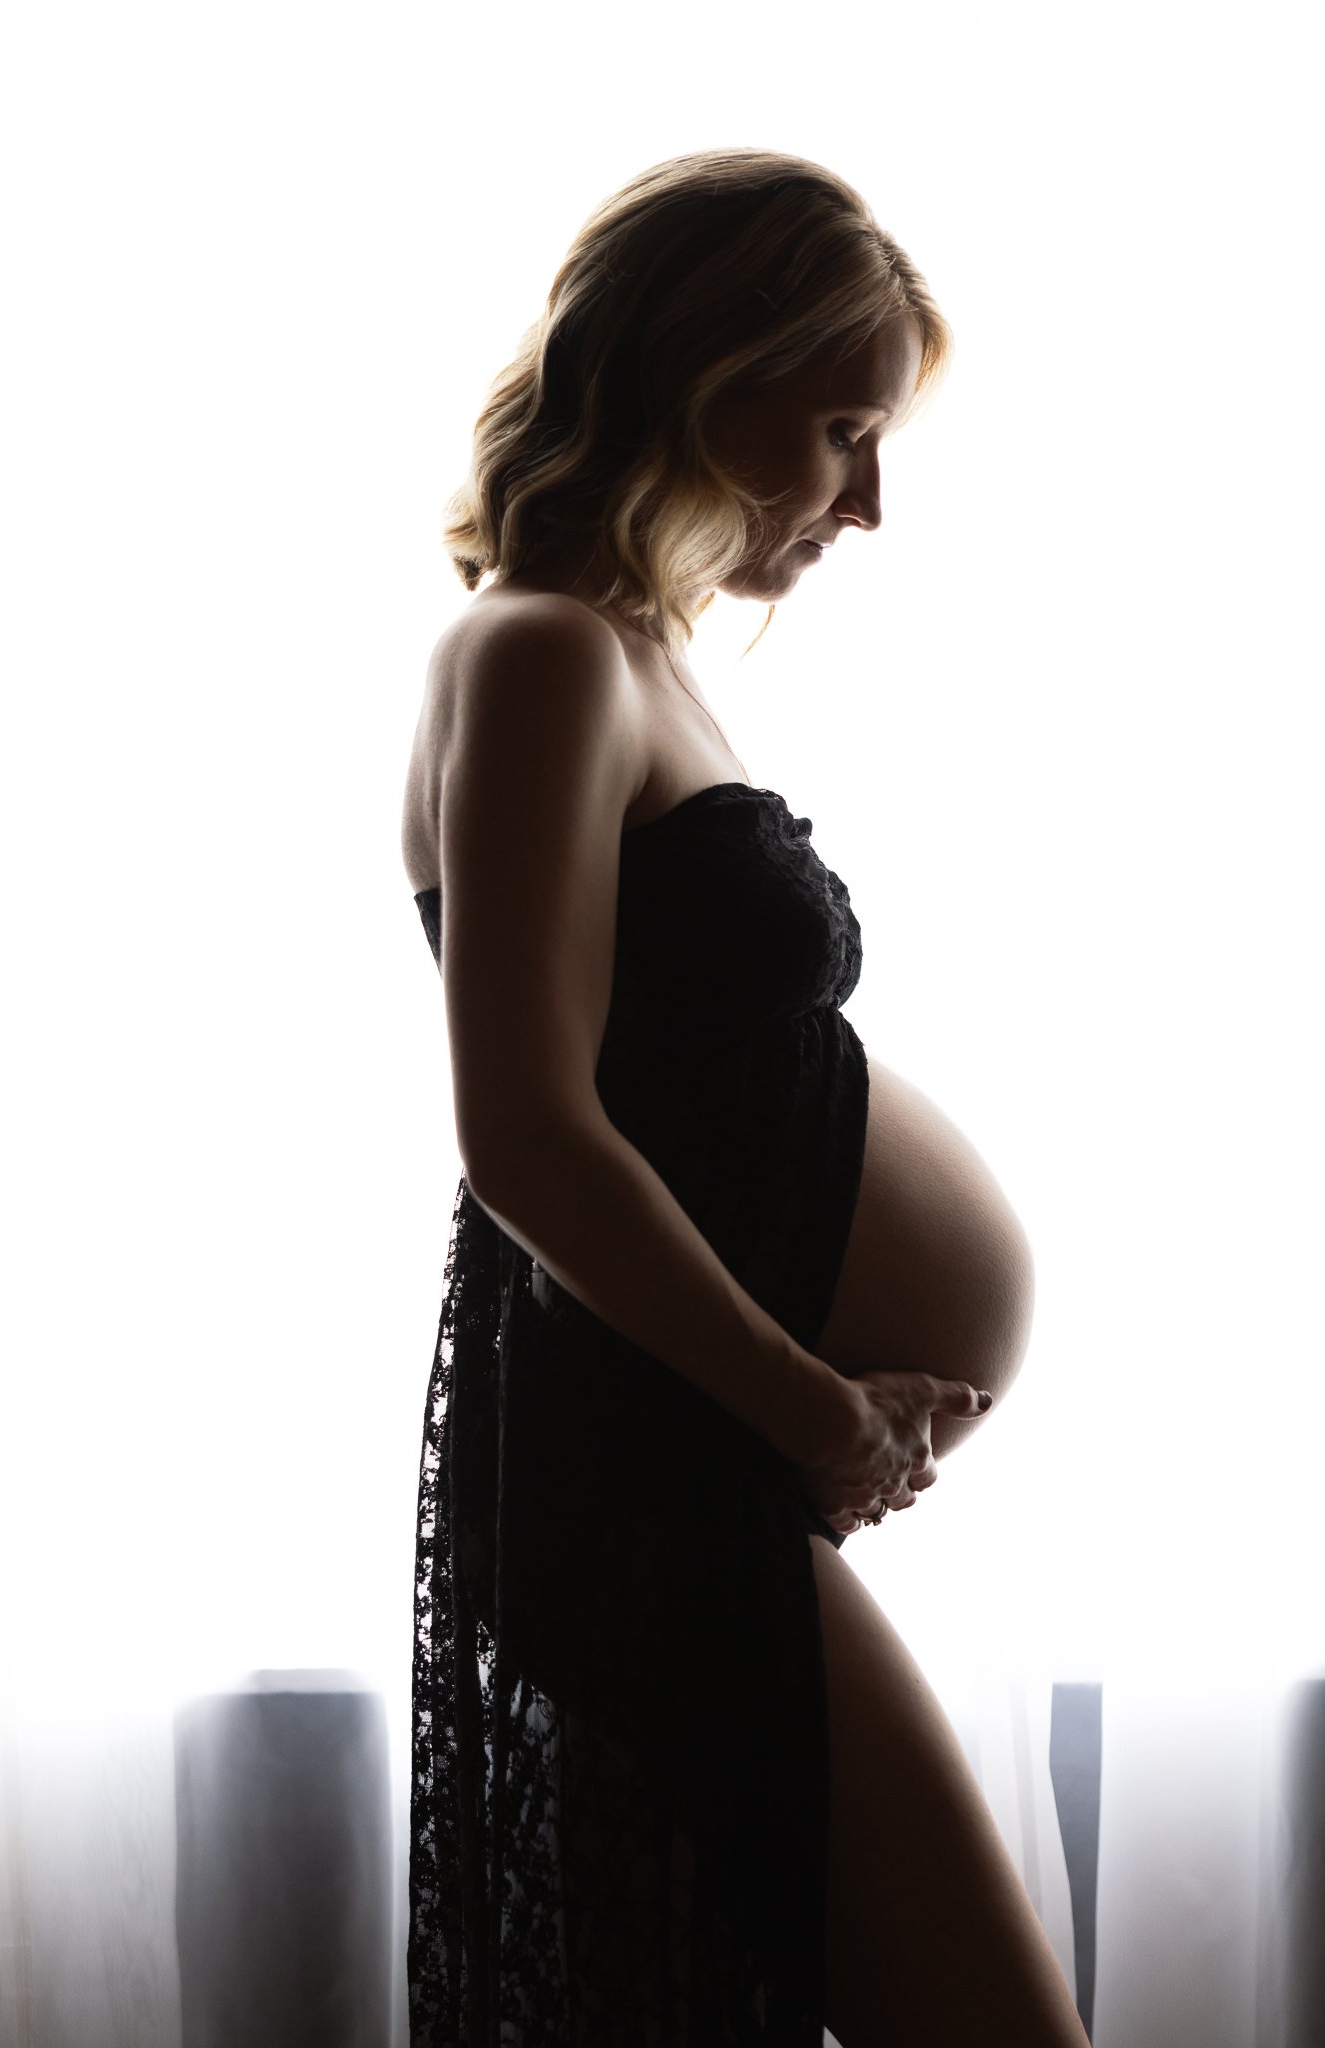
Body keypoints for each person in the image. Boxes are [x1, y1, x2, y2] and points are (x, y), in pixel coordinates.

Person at [402, 148, 1089, 2047]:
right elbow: (523, 1131)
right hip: (648, 1493)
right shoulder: (538, 653)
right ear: (706, 378)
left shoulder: (631, 654)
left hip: (694, 1483)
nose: (868, 503)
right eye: (845, 430)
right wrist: (819, 1414)